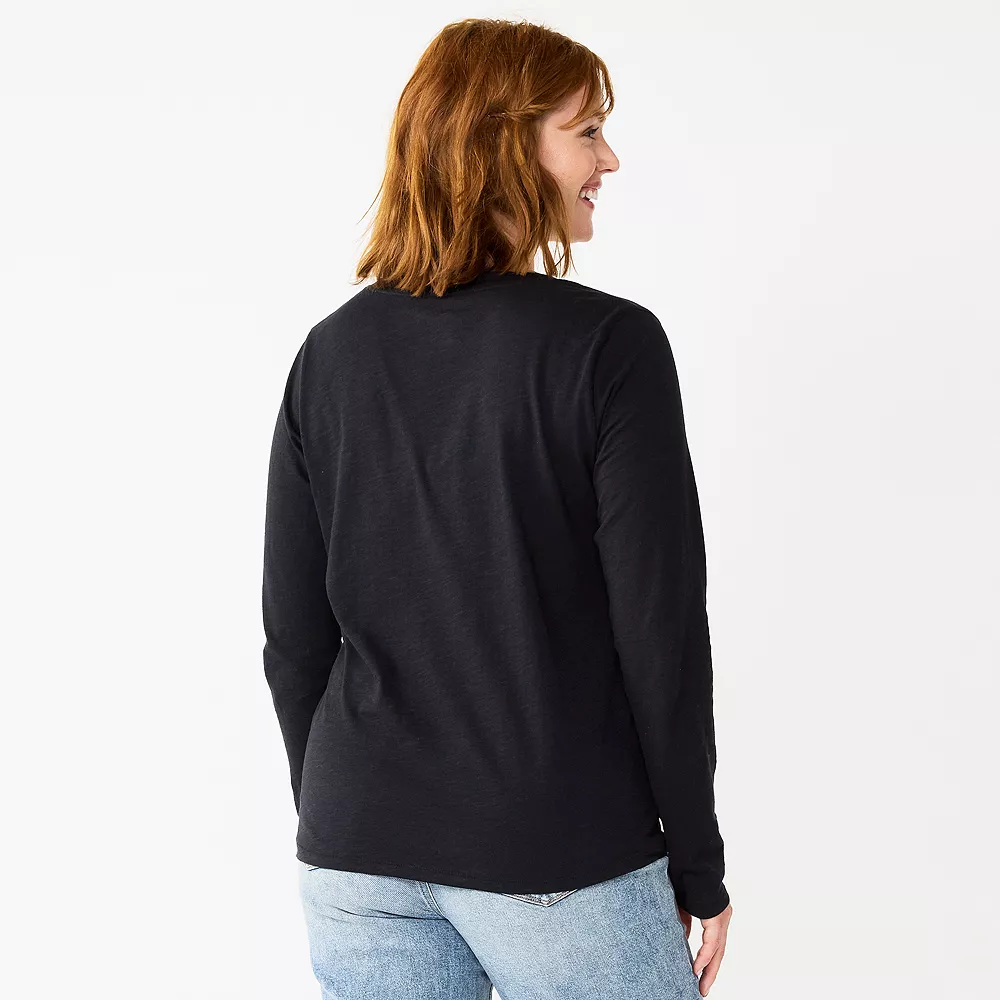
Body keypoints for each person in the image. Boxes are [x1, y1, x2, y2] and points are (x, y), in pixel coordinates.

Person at [262, 16, 733, 1000]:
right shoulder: (609, 349)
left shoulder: (329, 354)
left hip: (354, 852)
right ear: (507, 143)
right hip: (549, 842)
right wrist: (697, 863)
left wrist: (351, 813)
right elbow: (660, 634)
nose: (609, 159)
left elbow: (294, 639)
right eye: (587, 132)